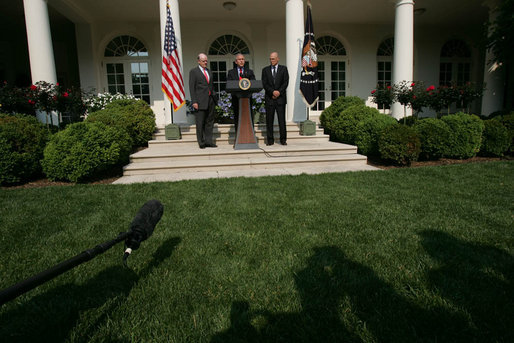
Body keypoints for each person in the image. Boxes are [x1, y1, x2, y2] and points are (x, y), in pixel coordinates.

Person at [189, 53, 217, 149]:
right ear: (198, 61)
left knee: (210, 121)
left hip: (210, 100)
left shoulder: (209, 71)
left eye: (206, 61)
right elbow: (192, 88)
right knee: (200, 122)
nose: (206, 62)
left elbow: (211, 85)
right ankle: (201, 142)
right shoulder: (194, 72)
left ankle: (209, 141)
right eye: (203, 61)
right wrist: (194, 101)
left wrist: (215, 97)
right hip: (200, 101)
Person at [261, 52, 289, 145]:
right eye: (270, 59)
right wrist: (272, 92)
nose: (271, 60)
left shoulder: (283, 69)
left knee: (281, 121)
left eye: (273, 59)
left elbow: (285, 82)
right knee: (269, 121)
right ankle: (270, 140)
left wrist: (278, 92)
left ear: (278, 59)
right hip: (270, 99)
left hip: (280, 99)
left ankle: (283, 139)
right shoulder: (265, 70)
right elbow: (264, 84)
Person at [226, 54, 256, 134]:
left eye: (243, 59)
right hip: (236, 99)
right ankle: (238, 137)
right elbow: (229, 85)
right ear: (236, 61)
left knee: (249, 118)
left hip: (247, 99)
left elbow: (254, 83)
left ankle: (250, 136)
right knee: (237, 118)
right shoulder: (231, 72)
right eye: (239, 59)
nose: (241, 61)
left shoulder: (249, 72)